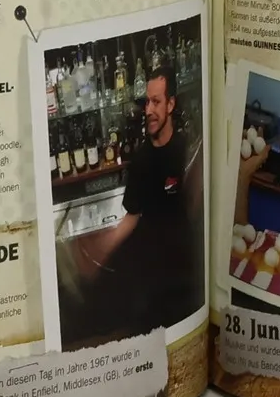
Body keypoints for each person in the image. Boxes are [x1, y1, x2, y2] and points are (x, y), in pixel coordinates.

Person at [75, 68, 202, 336]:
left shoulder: (184, 148)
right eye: (147, 103)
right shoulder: (142, 161)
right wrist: (101, 248)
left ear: (170, 104)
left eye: (156, 102)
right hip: (153, 271)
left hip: (183, 264)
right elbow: (131, 218)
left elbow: (192, 199)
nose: (149, 110)